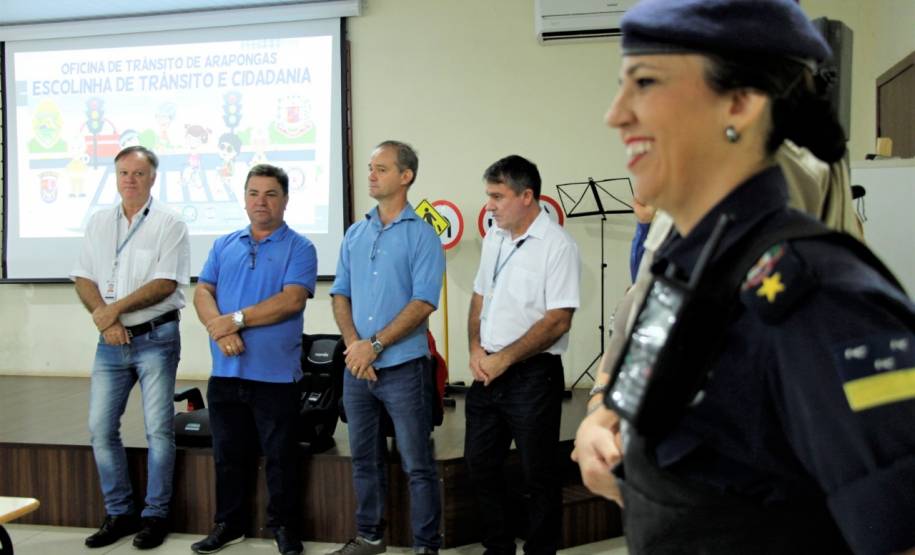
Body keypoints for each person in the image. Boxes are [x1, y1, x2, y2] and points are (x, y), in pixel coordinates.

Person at [572, 1, 915, 553]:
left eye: (646, 84)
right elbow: (644, 396)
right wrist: (600, 424)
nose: (616, 114)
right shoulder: (685, 263)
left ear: (739, 102)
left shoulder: (818, 296)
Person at [191, 164, 317, 555]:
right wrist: (220, 328)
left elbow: (292, 299)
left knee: (281, 459)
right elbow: (202, 291)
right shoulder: (223, 244)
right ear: (244, 198)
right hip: (226, 373)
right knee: (228, 456)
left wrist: (237, 320)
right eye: (253, 193)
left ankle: (284, 528)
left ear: (285, 200)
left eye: (270, 194)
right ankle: (228, 525)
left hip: (276, 376)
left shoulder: (301, 247)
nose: (261, 201)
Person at [328, 140, 445, 555]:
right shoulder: (355, 233)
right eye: (370, 167)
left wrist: (374, 345)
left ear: (405, 176)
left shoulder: (423, 236)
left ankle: (426, 546)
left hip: (403, 367)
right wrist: (354, 347)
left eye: (381, 168)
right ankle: (370, 536)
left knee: (417, 465)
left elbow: (423, 301)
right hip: (357, 368)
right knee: (363, 459)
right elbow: (340, 294)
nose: (371, 175)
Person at [71, 145, 190, 550]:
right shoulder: (99, 221)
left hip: (156, 338)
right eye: (123, 172)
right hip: (110, 343)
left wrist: (112, 313)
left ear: (153, 178)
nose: (130, 180)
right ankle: (120, 512)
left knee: (159, 430)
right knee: (100, 429)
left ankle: (155, 516)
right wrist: (107, 319)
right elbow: (83, 277)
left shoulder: (169, 223)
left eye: (138, 174)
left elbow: (165, 283)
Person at [466, 155, 581, 555]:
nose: (490, 206)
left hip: (532, 376)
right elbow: (480, 296)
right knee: (480, 465)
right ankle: (497, 547)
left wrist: (505, 359)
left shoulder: (558, 246)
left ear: (527, 196)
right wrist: (475, 348)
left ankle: (540, 550)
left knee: (539, 474)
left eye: (497, 196)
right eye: (488, 196)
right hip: (487, 371)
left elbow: (558, 321)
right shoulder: (494, 238)